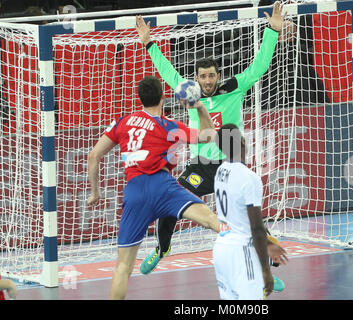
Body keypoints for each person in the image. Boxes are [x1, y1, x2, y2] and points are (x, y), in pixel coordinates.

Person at [135, 2, 288, 292]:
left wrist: (272, 31)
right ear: (197, 78)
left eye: (211, 76)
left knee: (250, 218)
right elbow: (167, 71)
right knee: (170, 202)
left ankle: (266, 268)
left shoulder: (235, 87)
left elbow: (259, 66)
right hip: (202, 166)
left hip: (231, 164)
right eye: (202, 76)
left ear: (218, 75)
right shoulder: (189, 92)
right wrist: (149, 44)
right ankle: (163, 248)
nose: (207, 81)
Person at [87, 75, 220, 300]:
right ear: (163, 97)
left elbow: (93, 156)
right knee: (211, 220)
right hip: (163, 187)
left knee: (123, 268)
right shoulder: (169, 127)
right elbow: (210, 136)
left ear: (140, 99)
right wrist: (199, 107)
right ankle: (256, 253)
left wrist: (95, 192)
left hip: (135, 192)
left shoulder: (123, 122)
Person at [213, 123, 289, 299]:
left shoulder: (220, 171)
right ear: (242, 142)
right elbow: (255, 228)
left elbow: (239, 217)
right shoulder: (250, 178)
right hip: (241, 252)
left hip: (221, 249)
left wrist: (269, 243)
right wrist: (266, 272)